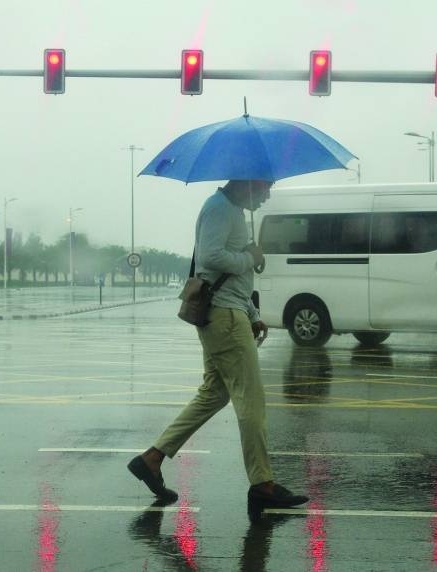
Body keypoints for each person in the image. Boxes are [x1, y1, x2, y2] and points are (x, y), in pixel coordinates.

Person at [127, 179, 309, 508]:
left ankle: (152, 458)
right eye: (265, 188)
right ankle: (262, 484)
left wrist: (252, 312)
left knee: (214, 393)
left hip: (228, 312)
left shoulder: (230, 210)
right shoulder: (220, 209)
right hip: (225, 319)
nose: (267, 195)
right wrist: (249, 257)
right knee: (251, 402)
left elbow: (229, 279)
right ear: (248, 183)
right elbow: (210, 258)